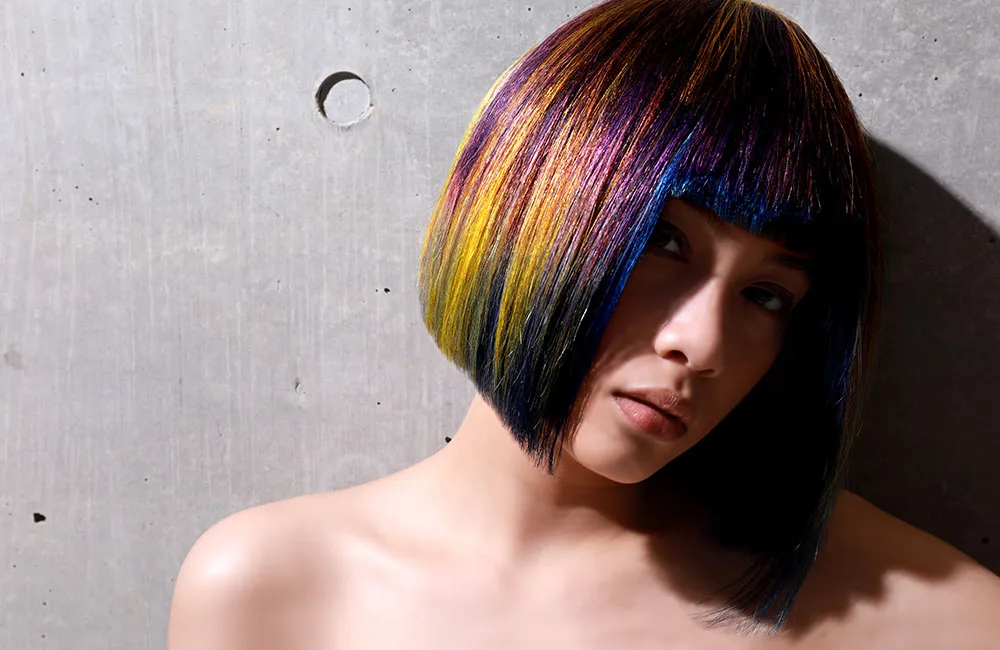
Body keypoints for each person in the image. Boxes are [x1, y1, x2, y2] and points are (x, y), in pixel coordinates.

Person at [167, 0, 1000, 647]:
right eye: (665, 242)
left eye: (767, 295)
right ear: (523, 215)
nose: (702, 346)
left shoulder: (927, 618)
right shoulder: (267, 591)